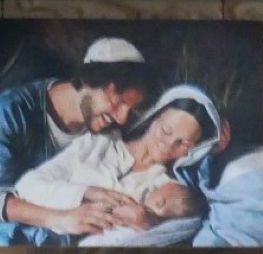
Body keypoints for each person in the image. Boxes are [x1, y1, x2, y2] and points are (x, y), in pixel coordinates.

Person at [13, 86, 221, 242]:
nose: (168, 145)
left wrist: (149, 222)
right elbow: (26, 187)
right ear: (154, 118)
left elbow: (184, 225)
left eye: (183, 143)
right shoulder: (97, 144)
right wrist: (86, 193)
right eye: (166, 131)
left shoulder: (168, 188)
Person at [0, 36, 151, 243]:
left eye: (129, 110)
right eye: (118, 102)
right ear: (88, 81)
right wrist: (59, 218)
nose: (122, 118)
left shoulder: (108, 132)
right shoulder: (10, 113)